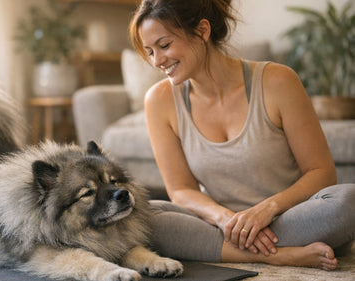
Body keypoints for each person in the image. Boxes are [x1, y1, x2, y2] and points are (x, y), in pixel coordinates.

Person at [129, 0, 355, 271]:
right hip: (222, 226)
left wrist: (266, 210)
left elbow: (321, 172)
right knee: (144, 215)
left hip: (290, 217)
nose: (157, 61)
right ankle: (278, 255)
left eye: (164, 46)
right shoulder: (159, 100)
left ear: (202, 31)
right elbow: (181, 190)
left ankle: (237, 248)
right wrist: (225, 218)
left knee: (348, 201)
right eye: (150, 51)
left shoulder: (277, 81)